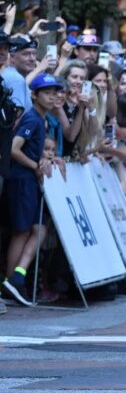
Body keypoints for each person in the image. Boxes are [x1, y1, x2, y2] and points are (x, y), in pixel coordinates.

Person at [3, 74, 64, 306]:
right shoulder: (32, 119)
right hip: (21, 180)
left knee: (38, 229)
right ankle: (11, 284)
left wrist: (49, 160)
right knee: (21, 231)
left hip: (28, 180)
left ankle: (17, 277)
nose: (52, 96)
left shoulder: (41, 119)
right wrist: (35, 165)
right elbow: (14, 149)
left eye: (54, 92)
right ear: (35, 95)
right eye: (46, 92)